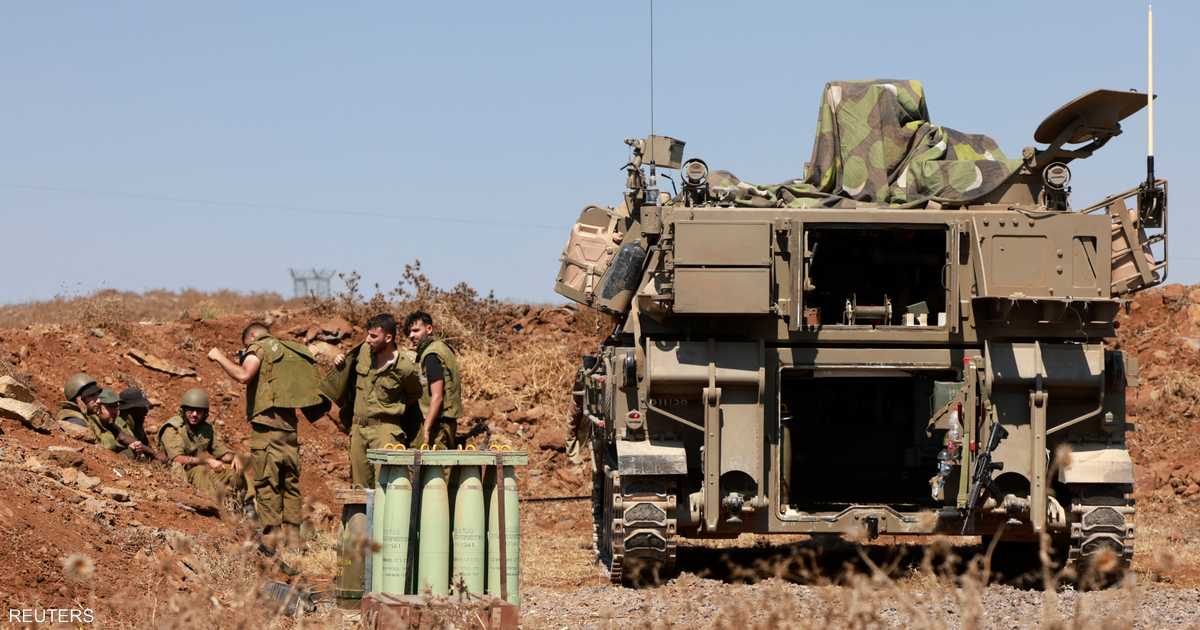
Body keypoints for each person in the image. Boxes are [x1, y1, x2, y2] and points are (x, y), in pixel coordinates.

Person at [208, 322, 322, 550]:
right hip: (289, 429)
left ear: (252, 336)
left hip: (267, 430)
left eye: (246, 346)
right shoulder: (289, 350)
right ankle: (293, 543)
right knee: (290, 485)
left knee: (267, 484)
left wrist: (218, 356)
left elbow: (244, 375)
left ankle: (271, 545)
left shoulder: (258, 347)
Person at [328, 313, 422, 488]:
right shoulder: (363, 351)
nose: (368, 339)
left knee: (386, 487)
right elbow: (348, 371)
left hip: (385, 431)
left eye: (373, 336)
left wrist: (394, 408)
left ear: (388, 338)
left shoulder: (404, 367)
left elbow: (415, 393)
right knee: (359, 488)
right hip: (358, 430)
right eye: (368, 334)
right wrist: (339, 360)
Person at [157, 388, 251, 514]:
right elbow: (177, 458)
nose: (194, 414)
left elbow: (222, 453)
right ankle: (217, 508)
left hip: (197, 468)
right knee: (201, 472)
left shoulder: (205, 428)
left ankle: (247, 507)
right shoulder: (172, 428)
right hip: (177, 472)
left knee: (233, 471)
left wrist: (235, 457)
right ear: (184, 410)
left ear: (204, 413)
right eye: (191, 410)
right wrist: (208, 461)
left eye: (199, 411)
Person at [404, 311, 462, 449]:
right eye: (409, 332)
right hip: (444, 422)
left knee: (435, 463)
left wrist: (426, 429)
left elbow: (437, 396)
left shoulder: (431, 355)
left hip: (438, 425)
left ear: (429, 329)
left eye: (416, 330)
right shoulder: (440, 347)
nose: (411, 335)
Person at [92, 388, 159, 459]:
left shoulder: (113, 425)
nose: (146, 411)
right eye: (110, 407)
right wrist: (131, 452)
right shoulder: (93, 424)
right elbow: (108, 456)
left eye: (115, 406)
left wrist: (152, 453)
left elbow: (123, 438)